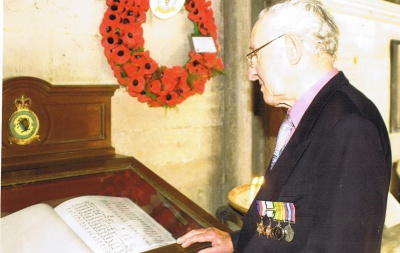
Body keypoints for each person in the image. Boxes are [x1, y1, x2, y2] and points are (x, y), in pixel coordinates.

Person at [177, 0, 392, 252]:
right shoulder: (306, 114)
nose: (251, 73)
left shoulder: (350, 127)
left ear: (291, 49)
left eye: (255, 55)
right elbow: (294, 221)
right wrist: (236, 242)